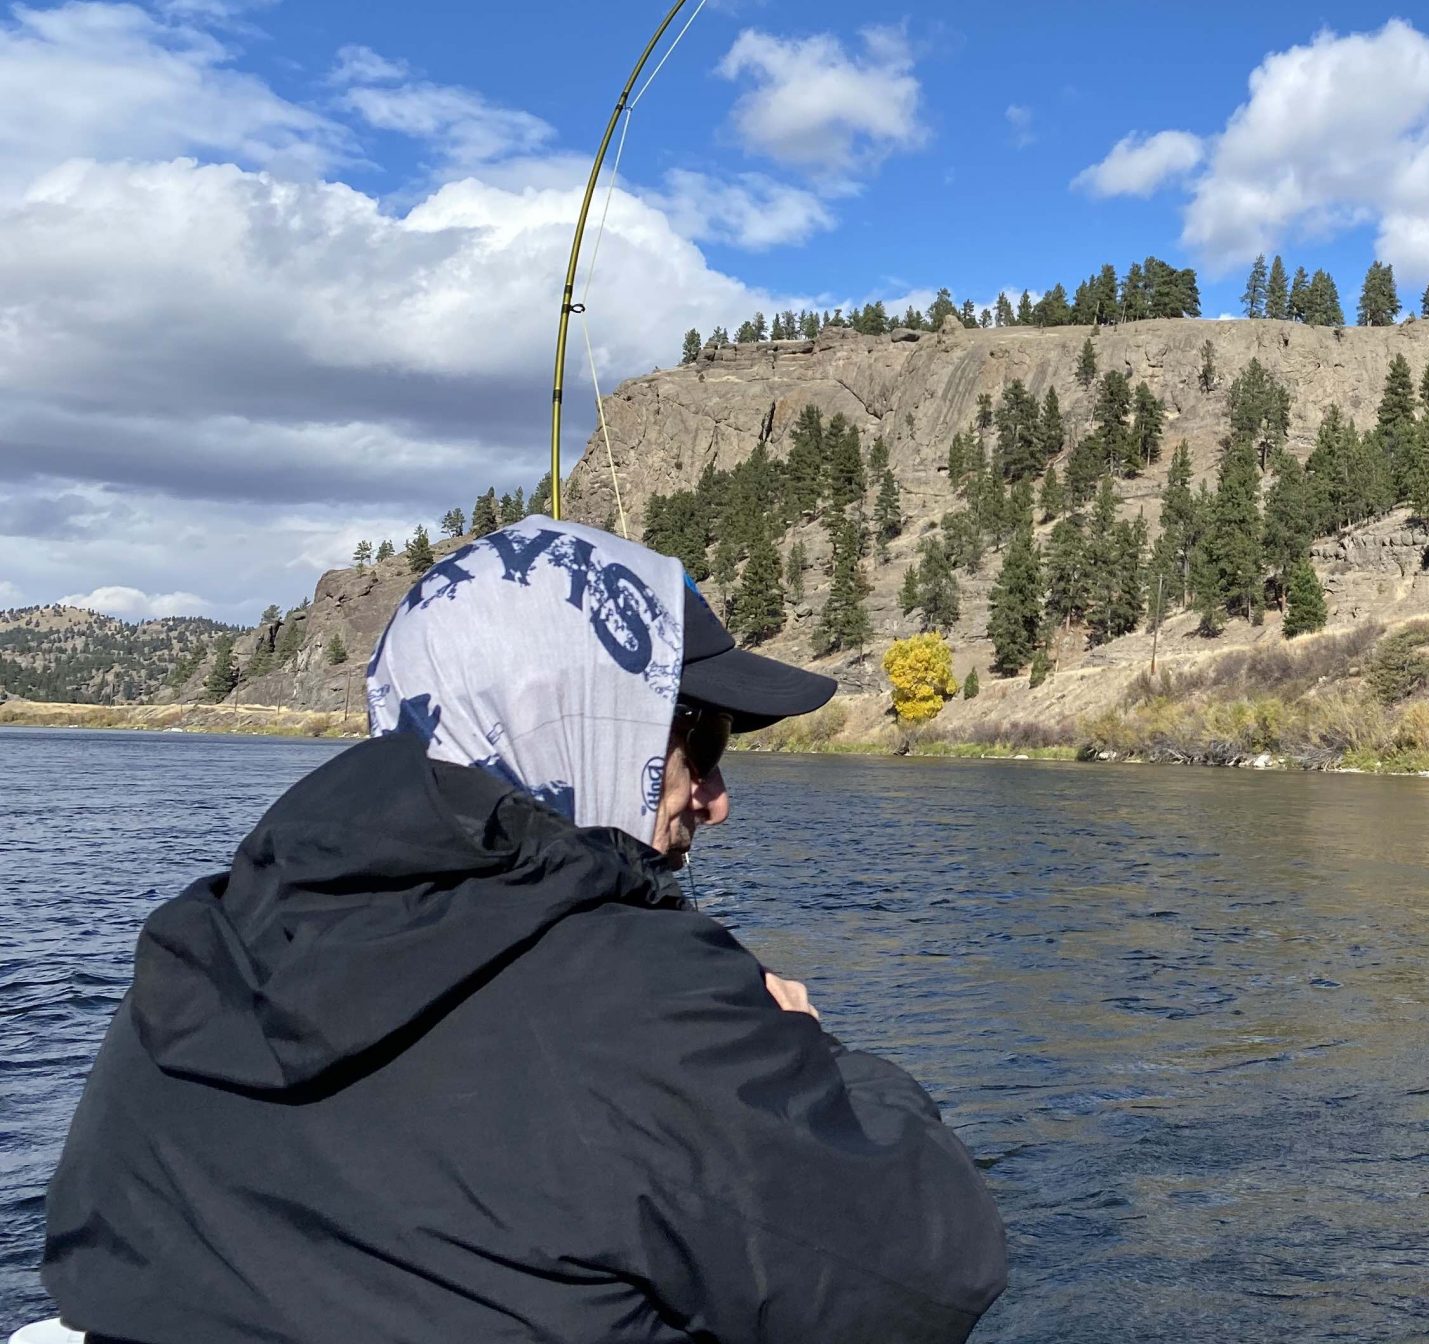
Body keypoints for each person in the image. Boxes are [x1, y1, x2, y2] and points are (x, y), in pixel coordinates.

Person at [41, 517, 1007, 1344]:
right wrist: (813, 1056)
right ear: (583, 723)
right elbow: (934, 1271)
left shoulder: (200, 940)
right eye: (699, 742)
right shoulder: (646, 996)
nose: (716, 801)